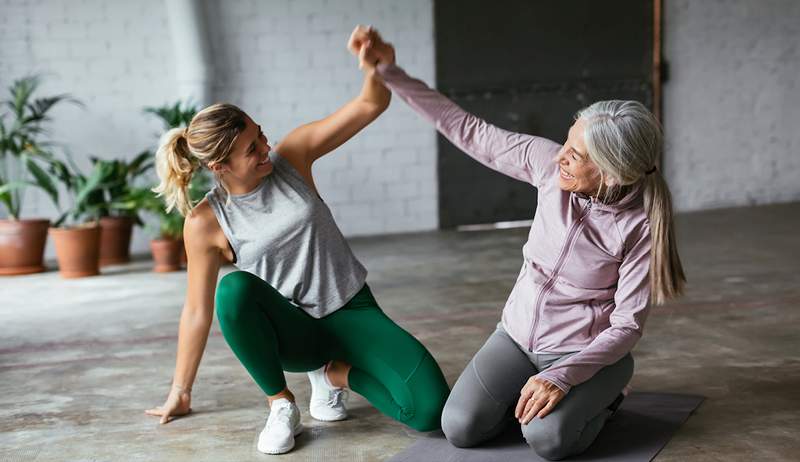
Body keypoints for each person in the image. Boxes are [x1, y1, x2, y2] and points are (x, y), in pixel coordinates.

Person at [350, 26, 686, 460]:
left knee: (547, 441)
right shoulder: (550, 169)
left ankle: (607, 395)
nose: (560, 155)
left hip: (582, 353)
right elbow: (465, 127)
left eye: (576, 155)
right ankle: (535, 397)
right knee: (461, 427)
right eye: (567, 141)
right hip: (516, 337)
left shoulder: (639, 223)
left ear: (612, 174)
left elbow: (626, 326)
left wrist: (564, 376)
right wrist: (388, 70)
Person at [144, 27, 450, 455]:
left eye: (260, 134)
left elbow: (369, 104)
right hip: (296, 333)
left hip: (353, 308)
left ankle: (335, 375)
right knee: (233, 290)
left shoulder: (294, 156)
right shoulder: (206, 222)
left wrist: (377, 67)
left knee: (430, 412)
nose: (265, 147)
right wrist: (180, 389)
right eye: (252, 147)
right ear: (220, 166)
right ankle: (281, 403)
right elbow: (196, 311)